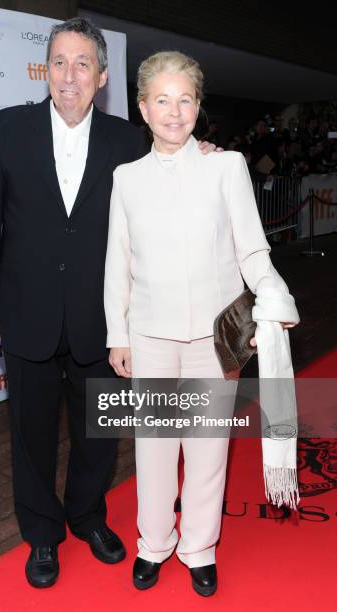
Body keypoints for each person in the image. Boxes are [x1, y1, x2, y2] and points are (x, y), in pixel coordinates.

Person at [0, 18, 217, 589]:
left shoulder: (129, 141)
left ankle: (87, 517)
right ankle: (42, 535)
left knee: (99, 433)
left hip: (103, 320)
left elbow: (171, 168)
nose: (69, 74)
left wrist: (200, 152)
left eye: (83, 63)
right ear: (45, 69)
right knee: (30, 436)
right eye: (59, 61)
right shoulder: (6, 128)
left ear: (102, 76)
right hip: (26, 313)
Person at [104, 51, 299, 597]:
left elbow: (252, 250)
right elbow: (117, 261)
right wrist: (116, 334)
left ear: (198, 107)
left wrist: (273, 295)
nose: (174, 111)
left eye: (185, 99)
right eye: (162, 100)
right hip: (149, 335)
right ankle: (153, 544)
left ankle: (198, 548)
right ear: (143, 108)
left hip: (216, 338)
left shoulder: (226, 167)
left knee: (209, 449)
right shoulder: (126, 178)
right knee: (155, 446)